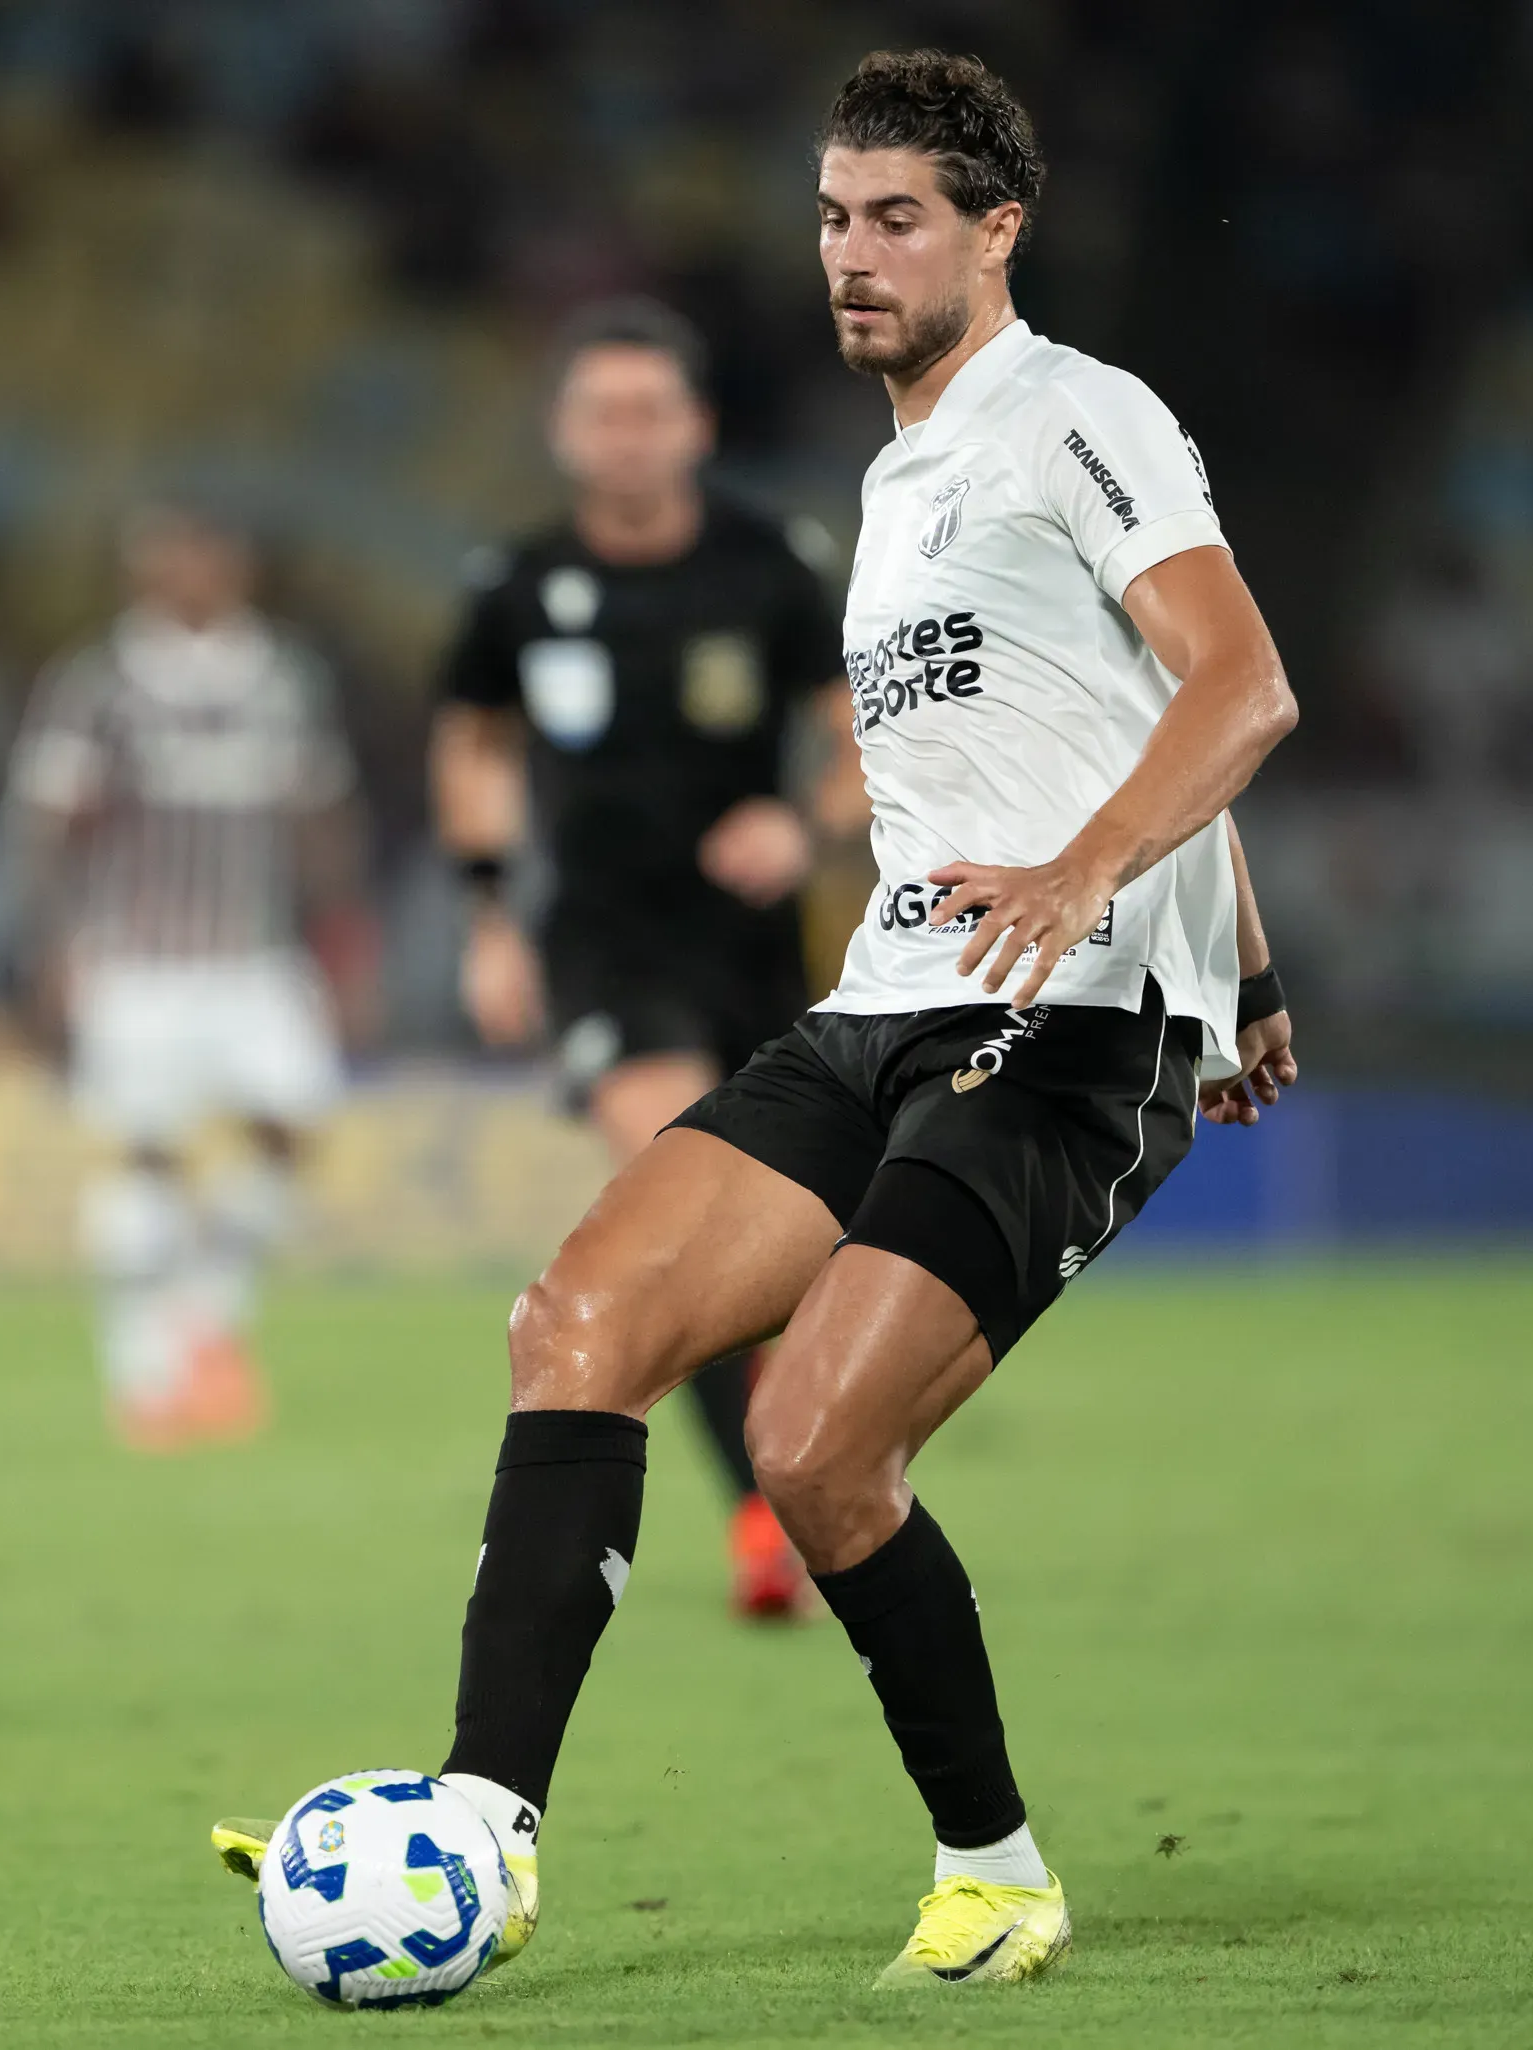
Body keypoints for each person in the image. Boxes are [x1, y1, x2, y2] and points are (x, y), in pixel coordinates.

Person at [219, 49, 1302, 1987]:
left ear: (998, 227)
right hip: (886, 990)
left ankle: (997, 1867)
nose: (852, 253)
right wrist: (1261, 953)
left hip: (1063, 1027)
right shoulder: (895, 487)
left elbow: (1238, 683)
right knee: (578, 1321)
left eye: (897, 216)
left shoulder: (1079, 416)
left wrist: (1114, 907)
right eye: (829, 215)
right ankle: (485, 1822)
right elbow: (1121, 718)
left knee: (811, 1441)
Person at [433, 297, 864, 1620]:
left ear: (699, 426)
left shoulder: (771, 567)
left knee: (781, 1251)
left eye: (649, 411)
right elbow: (475, 744)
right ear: (566, 433)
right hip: (603, 946)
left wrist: (798, 820)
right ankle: (764, 1514)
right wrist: (492, 912)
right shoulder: (515, 588)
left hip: (752, 953)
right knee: (683, 1199)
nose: (625, 437)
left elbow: (866, 743)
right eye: (600, 412)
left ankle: (801, 1472)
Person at [7, 501, 373, 1451]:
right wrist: (52, 944)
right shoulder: (100, 682)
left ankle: (207, 1319)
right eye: (165, 555)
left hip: (255, 958)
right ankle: (143, 1372)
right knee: (142, 1151)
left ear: (237, 564)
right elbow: (48, 822)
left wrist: (344, 936)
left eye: (203, 553)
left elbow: (321, 811)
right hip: (138, 960)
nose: (184, 571)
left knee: (293, 1127)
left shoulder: (283, 677)